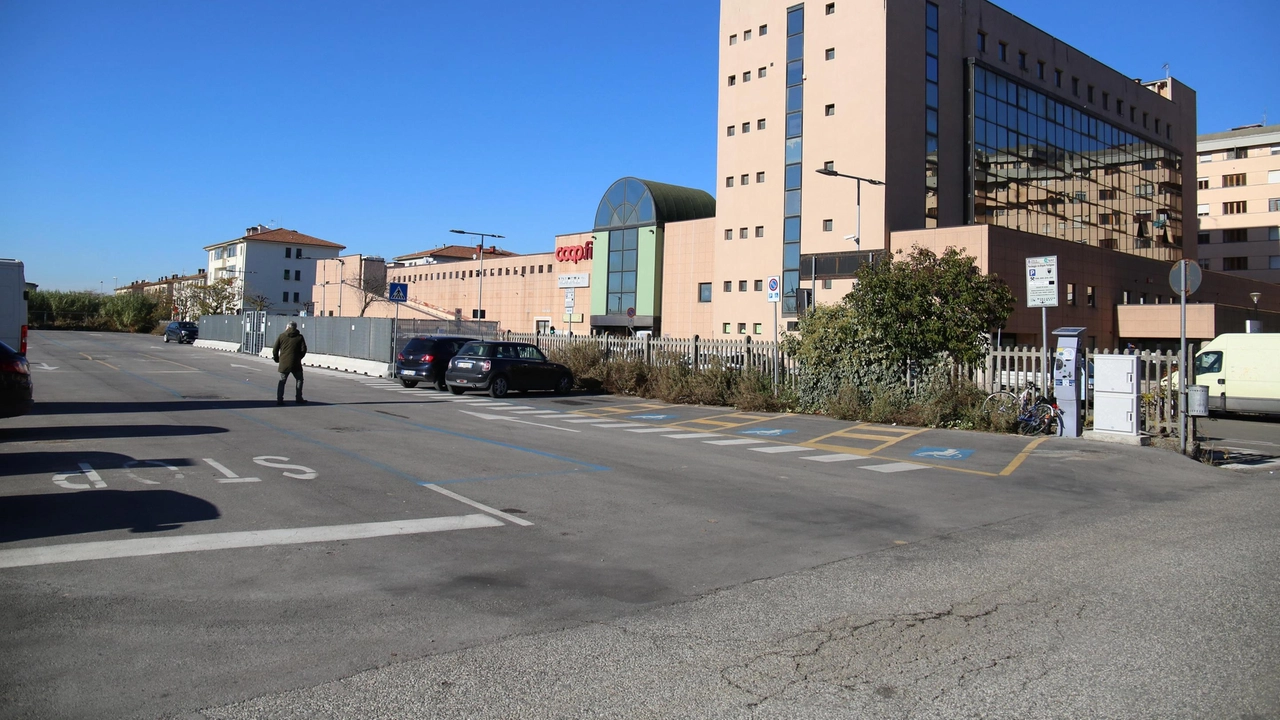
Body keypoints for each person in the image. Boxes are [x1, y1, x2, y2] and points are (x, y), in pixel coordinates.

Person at [273, 320, 308, 405]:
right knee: (299, 379)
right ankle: (298, 397)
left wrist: (277, 359)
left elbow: (275, 349)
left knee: (282, 381)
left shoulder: (281, 336)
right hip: (296, 363)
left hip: (284, 363)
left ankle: (279, 399)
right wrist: (299, 357)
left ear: (288, 327)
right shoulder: (299, 337)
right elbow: (304, 349)